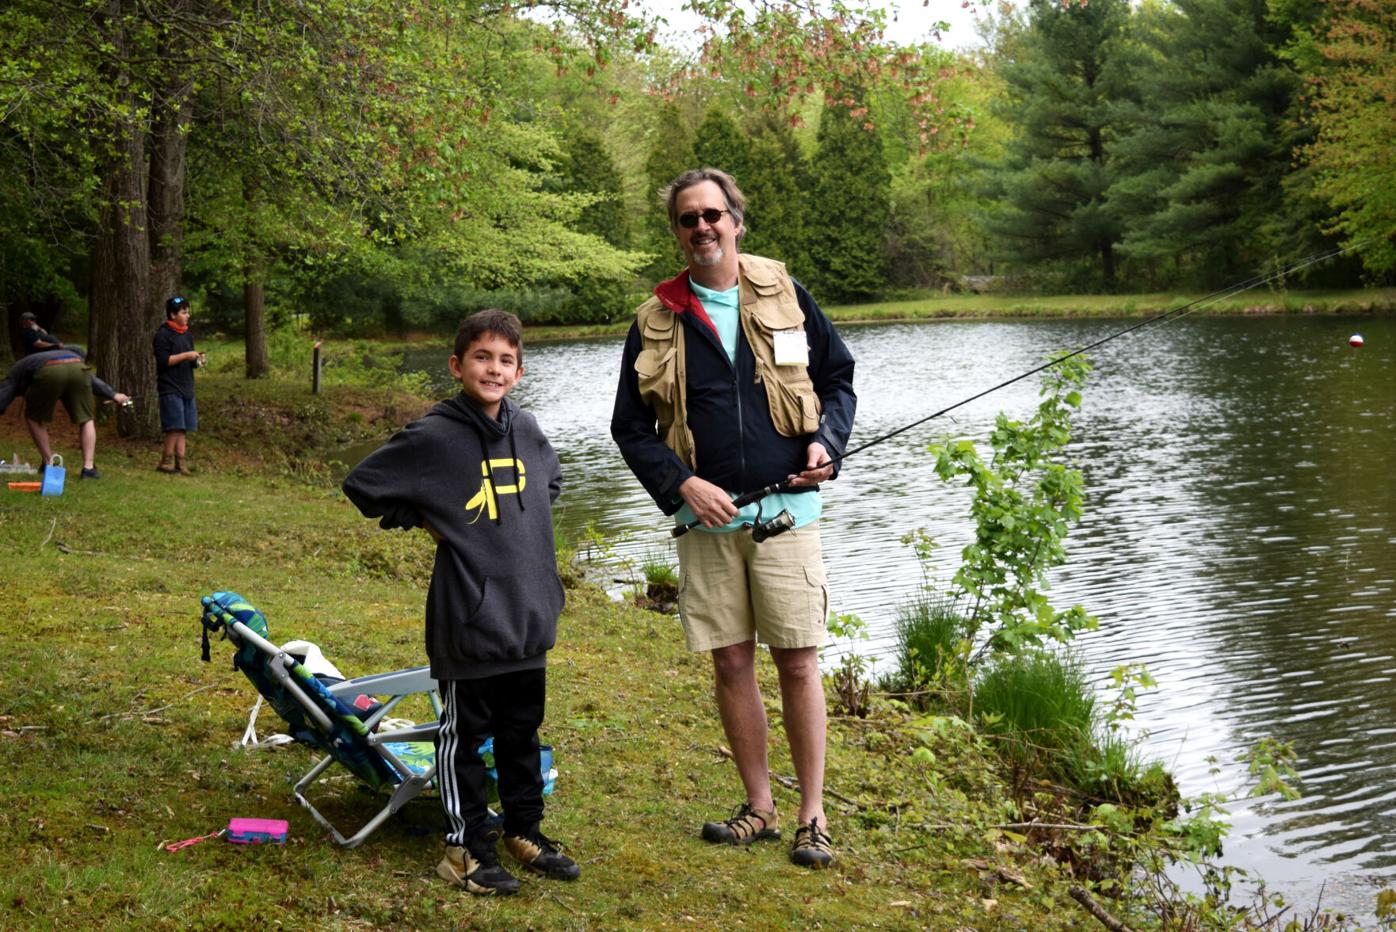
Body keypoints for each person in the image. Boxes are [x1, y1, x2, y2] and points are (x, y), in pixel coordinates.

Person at [610, 168, 856, 869]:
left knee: (800, 663)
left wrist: (826, 443)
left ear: (737, 222)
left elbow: (838, 380)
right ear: (677, 233)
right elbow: (629, 428)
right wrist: (682, 483)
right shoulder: (656, 316)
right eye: (688, 220)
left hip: (789, 514)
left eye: (713, 215)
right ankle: (760, 808)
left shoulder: (786, 291)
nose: (702, 228)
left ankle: (813, 815)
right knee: (731, 662)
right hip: (708, 529)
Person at [342, 309, 578, 896]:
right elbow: (363, 485)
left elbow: (549, 484)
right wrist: (425, 517)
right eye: (481, 357)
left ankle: (524, 829)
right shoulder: (436, 434)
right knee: (464, 737)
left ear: (519, 372)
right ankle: (465, 848)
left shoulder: (526, 428)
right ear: (457, 365)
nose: (493, 369)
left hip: (527, 613)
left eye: (505, 361)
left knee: (522, 732)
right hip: (471, 619)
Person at [0, 346, 131, 479]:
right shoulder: (71, 358)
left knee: (34, 418)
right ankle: (88, 468)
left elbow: (5, 391)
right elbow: (93, 381)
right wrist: (114, 395)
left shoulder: (21, 366)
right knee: (86, 419)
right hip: (79, 369)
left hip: (49, 370)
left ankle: (49, 463)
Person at [152, 295, 205, 475]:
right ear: (173, 315)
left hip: (187, 387)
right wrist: (186, 355)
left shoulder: (187, 335)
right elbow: (164, 360)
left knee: (184, 427)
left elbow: (192, 363)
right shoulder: (163, 334)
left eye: (188, 312)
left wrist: (198, 360)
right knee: (174, 425)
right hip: (170, 387)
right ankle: (165, 460)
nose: (187, 315)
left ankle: (180, 463)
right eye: (184, 312)